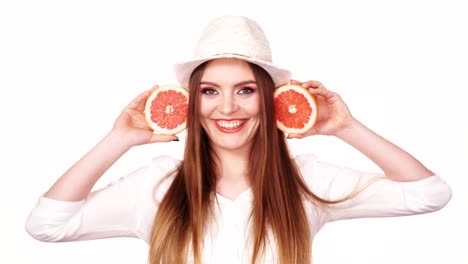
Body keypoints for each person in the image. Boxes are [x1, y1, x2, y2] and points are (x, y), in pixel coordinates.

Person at [25, 15, 452, 264]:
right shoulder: (155, 187)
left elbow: (428, 194)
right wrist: (117, 140)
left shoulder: (308, 182)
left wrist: (345, 127)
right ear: (191, 102)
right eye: (210, 91)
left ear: (270, 101)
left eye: (245, 90)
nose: (227, 108)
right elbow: (47, 226)